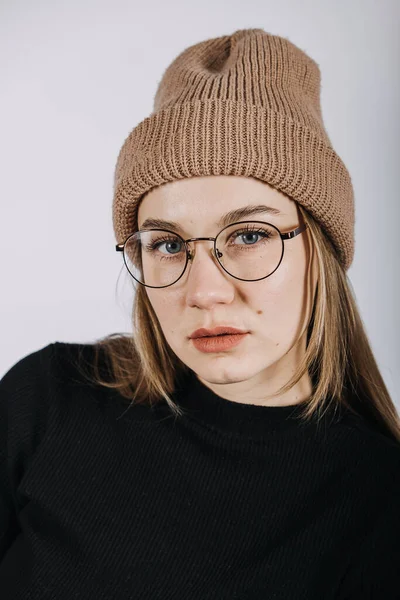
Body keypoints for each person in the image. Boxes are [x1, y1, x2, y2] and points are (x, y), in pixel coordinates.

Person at [1, 28, 399, 599]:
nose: (206, 292)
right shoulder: (49, 398)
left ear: (322, 251)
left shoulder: (379, 503)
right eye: (168, 244)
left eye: (251, 235)